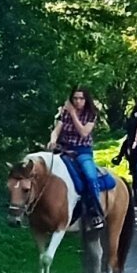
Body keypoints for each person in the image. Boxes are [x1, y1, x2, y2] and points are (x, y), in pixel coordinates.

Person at [46, 87, 106, 229]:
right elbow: (57, 129)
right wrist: (52, 140)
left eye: (81, 98)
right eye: (75, 98)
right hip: (65, 149)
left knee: (90, 176)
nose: (78, 101)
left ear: (86, 100)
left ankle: (95, 212)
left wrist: (73, 114)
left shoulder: (91, 114)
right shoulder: (64, 113)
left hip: (82, 151)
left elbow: (84, 133)